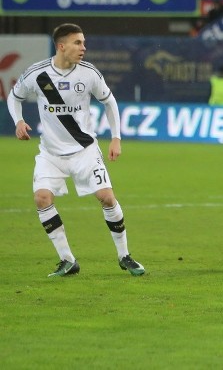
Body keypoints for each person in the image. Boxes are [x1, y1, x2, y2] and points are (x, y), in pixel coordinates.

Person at [6, 23, 145, 277]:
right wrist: (18, 120)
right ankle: (67, 260)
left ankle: (125, 256)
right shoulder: (38, 74)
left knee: (106, 197)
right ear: (62, 46)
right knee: (42, 198)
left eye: (83, 42)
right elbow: (14, 97)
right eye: (77, 43)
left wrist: (116, 138)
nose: (84, 48)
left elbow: (109, 101)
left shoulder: (88, 73)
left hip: (84, 150)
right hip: (50, 153)